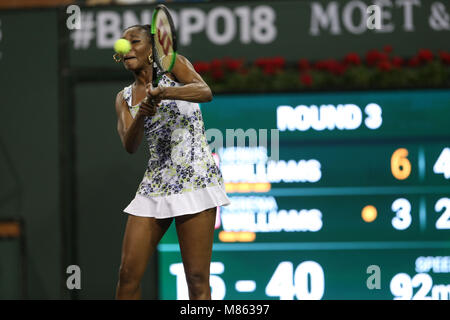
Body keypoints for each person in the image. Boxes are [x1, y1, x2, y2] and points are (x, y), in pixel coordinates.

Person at [113, 24, 231, 300]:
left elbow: (204, 91)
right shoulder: (124, 98)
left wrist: (164, 93)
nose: (127, 46)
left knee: (197, 279)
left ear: (151, 49)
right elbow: (130, 145)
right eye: (123, 42)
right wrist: (143, 112)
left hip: (196, 178)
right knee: (127, 275)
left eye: (135, 40)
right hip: (154, 184)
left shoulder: (174, 64)